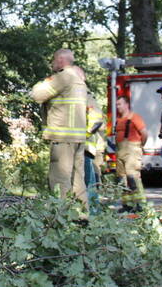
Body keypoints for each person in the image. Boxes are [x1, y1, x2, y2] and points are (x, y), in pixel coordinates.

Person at [31, 49, 88, 205]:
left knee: (59, 180)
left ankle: (60, 218)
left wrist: (45, 81)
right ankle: (82, 216)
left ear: (61, 60)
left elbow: (37, 94)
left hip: (63, 138)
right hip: (78, 139)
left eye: (54, 60)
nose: (52, 63)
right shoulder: (78, 79)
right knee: (78, 180)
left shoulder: (63, 77)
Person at [113, 95, 148, 210]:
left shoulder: (135, 117)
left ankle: (140, 204)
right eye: (117, 104)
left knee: (133, 177)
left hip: (132, 150)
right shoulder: (118, 120)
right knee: (121, 179)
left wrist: (139, 145)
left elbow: (144, 133)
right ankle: (127, 204)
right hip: (120, 151)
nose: (118, 107)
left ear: (127, 104)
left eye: (120, 104)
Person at [84, 94, 106, 212]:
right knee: (89, 181)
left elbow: (97, 122)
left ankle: (93, 210)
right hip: (87, 147)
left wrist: (85, 135)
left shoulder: (87, 98)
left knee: (92, 181)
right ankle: (92, 209)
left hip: (89, 148)